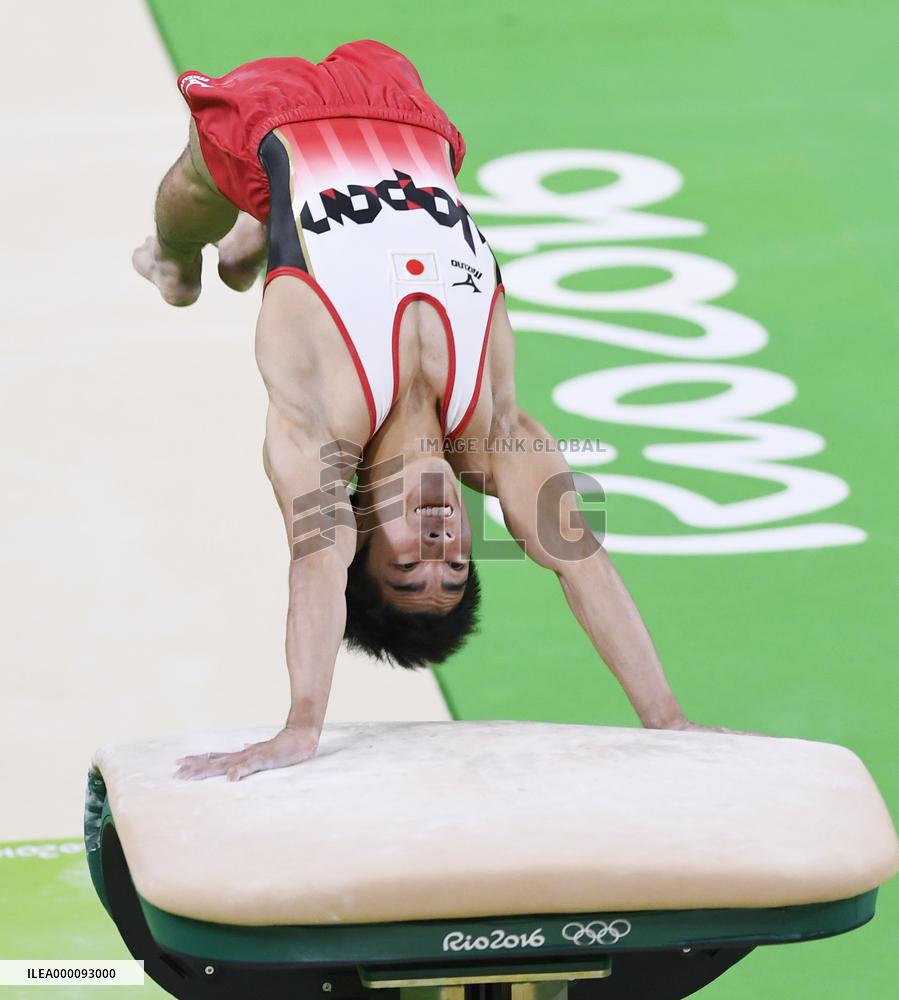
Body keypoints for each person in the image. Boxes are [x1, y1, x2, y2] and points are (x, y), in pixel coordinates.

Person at [133, 40, 732, 782]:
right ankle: (259, 230)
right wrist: (665, 718)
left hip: (275, 125)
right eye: (454, 563)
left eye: (409, 563)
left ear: (358, 533)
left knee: (197, 182)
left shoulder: (318, 436)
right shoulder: (496, 435)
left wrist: (300, 727)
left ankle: (175, 259)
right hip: (411, 128)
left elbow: (313, 569)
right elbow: (582, 563)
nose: (441, 540)